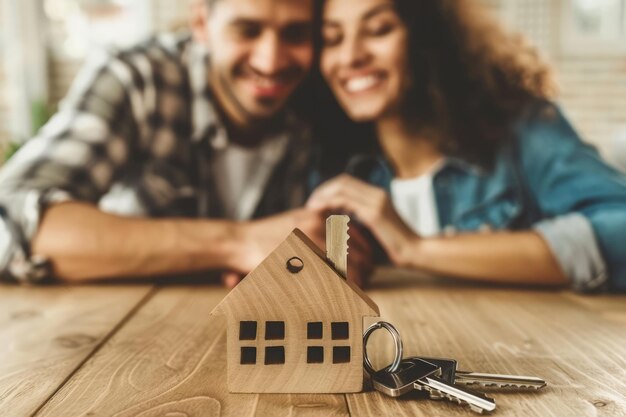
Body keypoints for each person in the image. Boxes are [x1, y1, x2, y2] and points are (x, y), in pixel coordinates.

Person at [0, 0, 354, 286]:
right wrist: (239, 242)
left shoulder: (315, 104)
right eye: (247, 30)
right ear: (201, 23)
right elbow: (11, 216)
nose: (271, 60)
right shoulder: (140, 79)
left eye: (295, 33)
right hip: (113, 350)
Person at [307, 0, 626, 291]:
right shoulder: (333, 163)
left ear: (428, 37)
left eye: (379, 30)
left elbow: (618, 227)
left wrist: (416, 248)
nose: (350, 56)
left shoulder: (521, 129)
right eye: (333, 39)